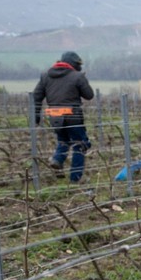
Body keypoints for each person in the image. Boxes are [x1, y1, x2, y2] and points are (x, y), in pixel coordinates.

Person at [32, 51, 94, 182]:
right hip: (73, 115)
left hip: (54, 117)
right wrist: (83, 80)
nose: (79, 67)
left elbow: (36, 97)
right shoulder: (77, 76)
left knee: (64, 141)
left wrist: (35, 116)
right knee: (80, 144)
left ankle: (57, 159)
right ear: (73, 64)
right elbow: (89, 95)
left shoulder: (45, 76)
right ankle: (75, 178)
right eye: (78, 65)